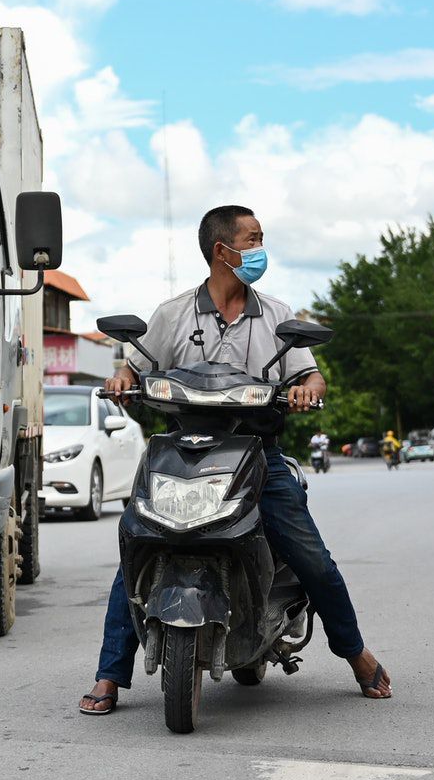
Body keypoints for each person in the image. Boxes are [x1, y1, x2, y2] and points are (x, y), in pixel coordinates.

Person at [79, 205, 392, 716]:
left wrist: (307, 392)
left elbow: (311, 378)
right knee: (138, 549)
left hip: (256, 455)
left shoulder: (275, 314)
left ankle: (355, 653)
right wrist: (121, 383)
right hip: (181, 451)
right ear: (222, 251)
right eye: (252, 239)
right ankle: (110, 674)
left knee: (313, 558)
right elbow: (132, 369)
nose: (259, 248)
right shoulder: (172, 314)